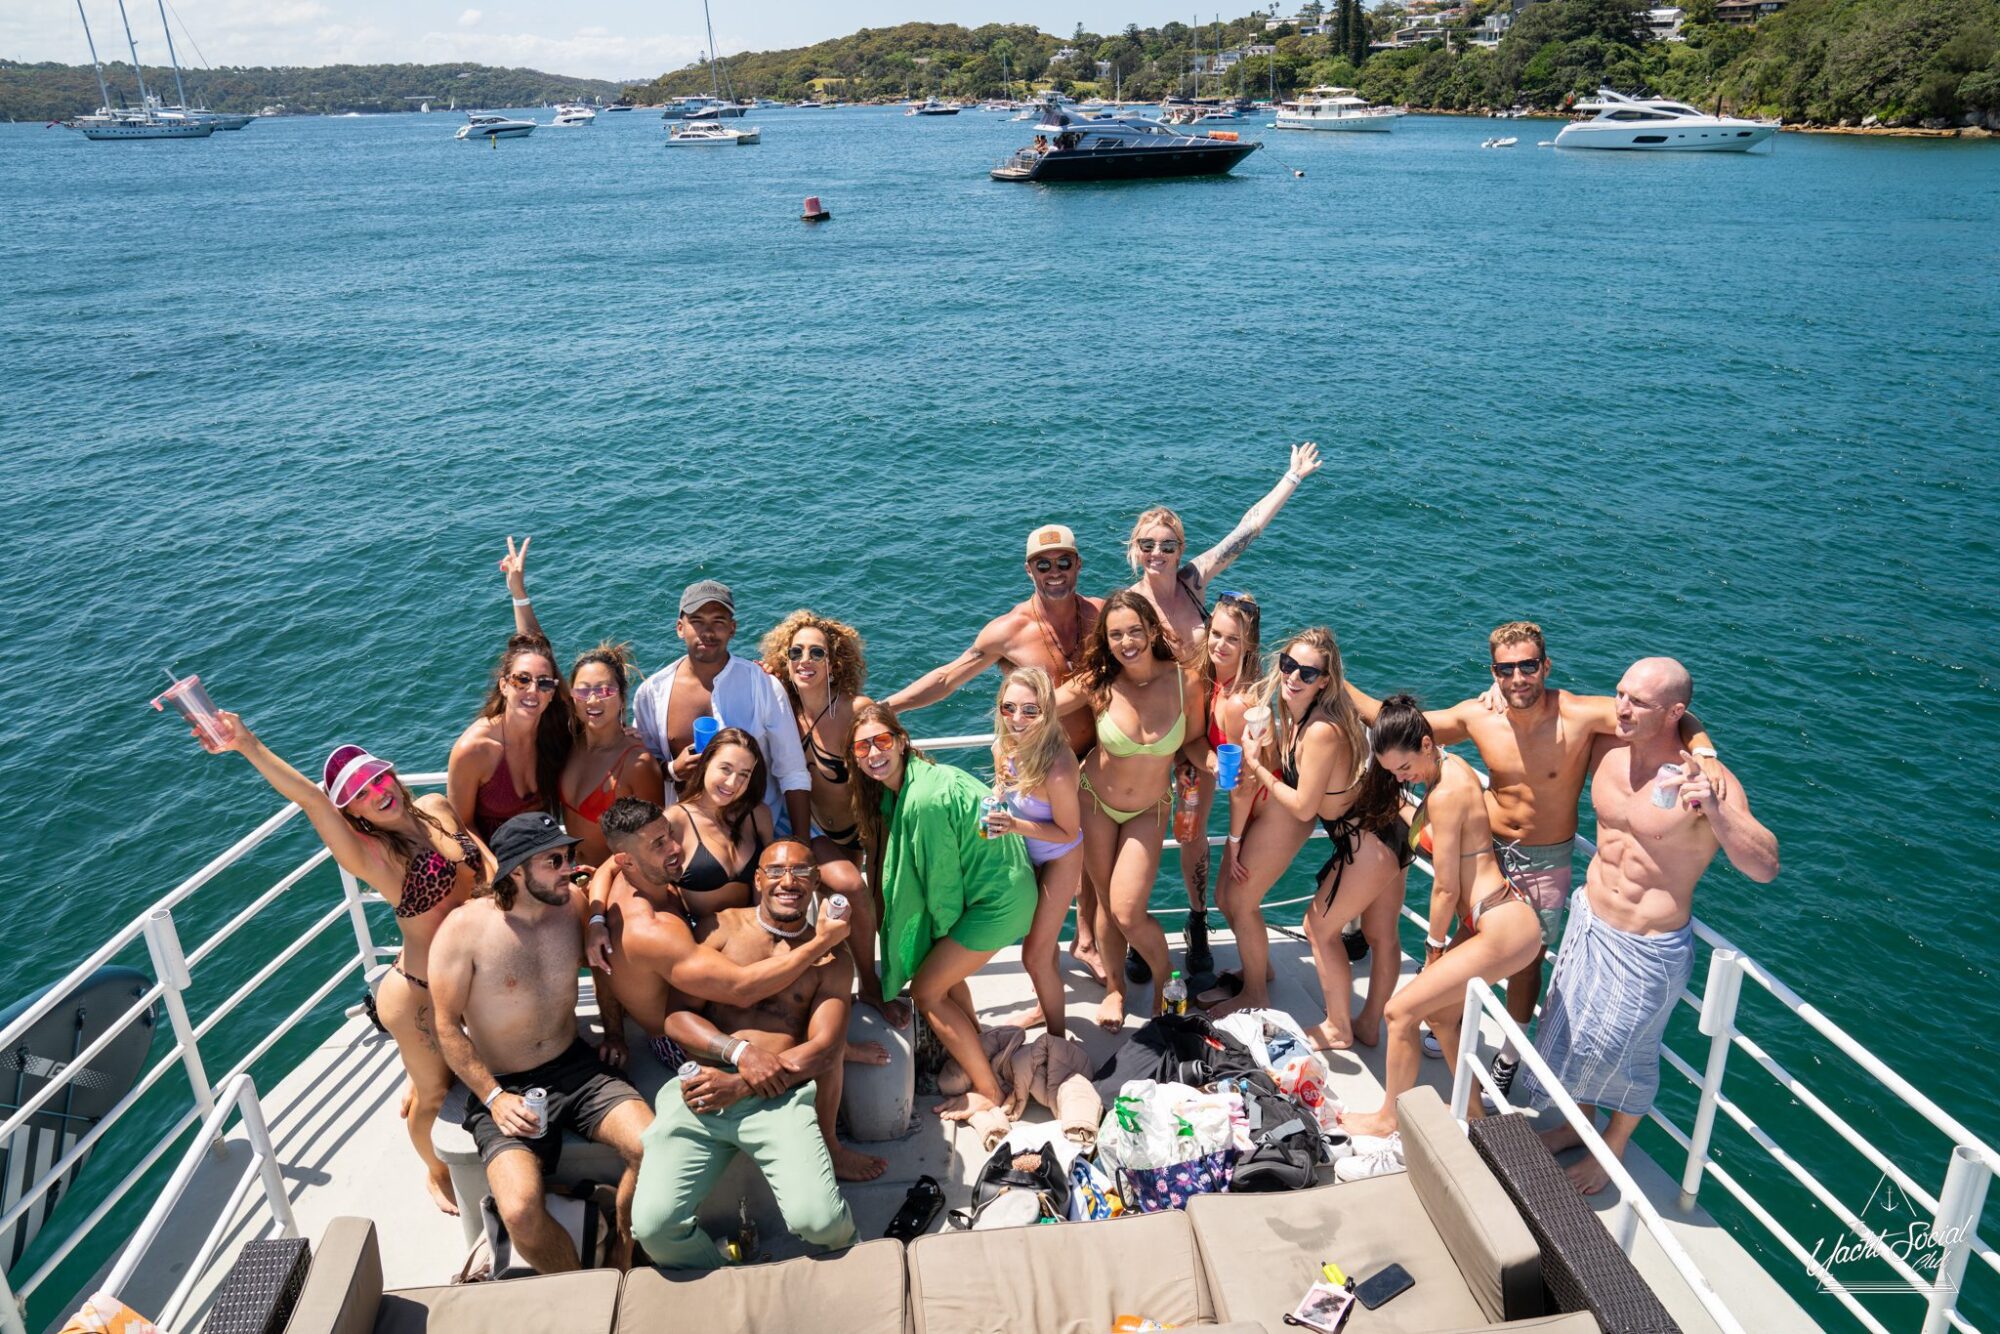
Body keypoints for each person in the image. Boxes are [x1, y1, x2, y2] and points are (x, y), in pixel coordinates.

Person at [1345, 621, 1718, 1091]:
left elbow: (1668, 714)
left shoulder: (1580, 714)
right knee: (1472, 935)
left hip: (1545, 859)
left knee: (1527, 960)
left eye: (1527, 666)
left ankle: (1510, 1048)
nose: (1518, 678)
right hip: (1486, 848)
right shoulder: (1479, 715)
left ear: (1546, 665)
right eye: (1506, 669)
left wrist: (1705, 752)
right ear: (1494, 672)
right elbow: (1398, 725)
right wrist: (1333, 678)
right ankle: (1450, 1015)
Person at [195, 714, 492, 1216]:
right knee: (435, 1094)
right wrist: (247, 744)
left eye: (378, 778)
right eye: (360, 793)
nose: (378, 792)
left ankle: (414, 1068)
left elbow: (479, 854)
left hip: (469, 969)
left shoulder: (436, 807)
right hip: (418, 991)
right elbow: (310, 799)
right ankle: (434, 1170)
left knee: (487, 1053)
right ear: (351, 812)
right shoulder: (371, 857)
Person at [1512, 658, 1777, 1194]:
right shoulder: (1611, 745)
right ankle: (1573, 1123)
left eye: (1638, 702)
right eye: (1620, 694)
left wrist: (1716, 808)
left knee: (1626, 1051)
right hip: (1590, 921)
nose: (1622, 708)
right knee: (1577, 1036)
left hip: (1646, 944)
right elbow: (1541, 708)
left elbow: (1765, 867)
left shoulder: (1711, 783)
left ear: (1675, 712)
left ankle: (1613, 1146)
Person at [587, 800, 884, 1181]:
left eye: (669, 836)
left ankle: (834, 1048)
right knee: (810, 1034)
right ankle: (830, 1138)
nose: (675, 848)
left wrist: (594, 916)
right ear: (631, 859)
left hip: (695, 995)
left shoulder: (636, 874)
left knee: (812, 1004)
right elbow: (740, 990)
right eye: (658, 845)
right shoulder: (651, 928)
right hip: (677, 1035)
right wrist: (821, 943)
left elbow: (608, 864)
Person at [1124, 445, 1321, 985]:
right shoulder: (1128, 604)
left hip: (1207, 728)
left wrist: (1290, 479)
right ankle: (1137, 928)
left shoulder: (1193, 580)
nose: (1158, 552)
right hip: (1155, 736)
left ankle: (1197, 920)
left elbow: (1246, 531)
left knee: (1202, 828)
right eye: (1148, 544)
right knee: (1150, 833)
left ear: (1180, 547)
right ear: (1135, 550)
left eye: (1167, 544)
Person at [428, 812, 652, 1272]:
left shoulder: (571, 906)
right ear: (516, 870)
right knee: (520, 1211)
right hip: (503, 1085)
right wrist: (492, 1097)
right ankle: (581, 1288)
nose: (568, 867)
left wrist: (612, 1034)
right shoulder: (463, 931)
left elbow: (604, 970)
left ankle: (623, 1254)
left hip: (576, 1067)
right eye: (554, 859)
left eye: (568, 856)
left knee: (654, 1147)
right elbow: (446, 1026)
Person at [884, 523, 1108, 980]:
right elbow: (949, 677)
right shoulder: (1010, 631)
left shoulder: (1102, 616)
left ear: (1078, 564)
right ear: (1029, 570)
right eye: (1043, 564)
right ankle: (1037, 956)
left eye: (1064, 561)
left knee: (1096, 869)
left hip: (1099, 760)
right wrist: (886, 708)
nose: (1055, 572)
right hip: (1044, 771)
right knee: (1037, 873)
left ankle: (1086, 942)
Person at [630, 838, 860, 1269]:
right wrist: (737, 1052)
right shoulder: (718, 928)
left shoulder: (832, 956)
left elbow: (826, 1049)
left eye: (801, 872)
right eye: (775, 871)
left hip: (779, 1096)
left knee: (823, 1222)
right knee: (654, 1231)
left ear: (815, 883)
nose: (787, 881)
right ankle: (723, 1282)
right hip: (701, 1090)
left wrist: (741, 1082)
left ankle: (856, 1264)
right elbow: (678, 1018)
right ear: (758, 879)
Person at [1336, 699, 1543, 1154]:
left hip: (1498, 922)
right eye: (1393, 772)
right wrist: (1395, 800)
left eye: (1406, 767)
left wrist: (1433, 950)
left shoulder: (1445, 794)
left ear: (1428, 745)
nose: (1402, 777)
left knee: (1399, 1012)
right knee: (1442, 1017)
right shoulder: (1453, 772)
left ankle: (1388, 1117)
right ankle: (1473, 1114)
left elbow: (1446, 887)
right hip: (1498, 914)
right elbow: (1439, 833)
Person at [850, 703, 1037, 1144]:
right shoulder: (911, 783)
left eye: (881, 741)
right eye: (862, 746)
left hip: (995, 902)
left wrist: (940, 945)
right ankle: (976, 1045)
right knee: (943, 977)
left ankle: (987, 1090)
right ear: (854, 756)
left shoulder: (924, 800)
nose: (874, 752)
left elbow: (944, 888)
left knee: (928, 991)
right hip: (1000, 889)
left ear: (900, 740)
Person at [1220, 629, 1405, 1050]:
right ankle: (1368, 1023)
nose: (1293, 678)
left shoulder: (1321, 730)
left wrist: (1256, 765)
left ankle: (1338, 1028)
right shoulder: (1298, 716)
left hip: (1368, 838)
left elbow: (1304, 808)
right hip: (1382, 829)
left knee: (1318, 928)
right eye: (1288, 665)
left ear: (1325, 680)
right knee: (1381, 935)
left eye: (1308, 672)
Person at [1055, 590, 1211, 1028]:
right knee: (1105, 906)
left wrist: (1213, 760)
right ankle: (1115, 990)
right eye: (1115, 634)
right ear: (1105, 640)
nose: (1126, 642)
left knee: (1127, 910)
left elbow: (1193, 740)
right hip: (1095, 802)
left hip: (1149, 808)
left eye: (1134, 631)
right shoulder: (1099, 682)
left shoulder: (1186, 682)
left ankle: (1165, 978)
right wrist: (1008, 733)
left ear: (1151, 631)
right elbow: (1040, 705)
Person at [497, 537, 667, 867]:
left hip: (617, 889)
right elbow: (539, 651)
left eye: (604, 690)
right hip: (569, 876)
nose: (593, 699)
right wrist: (519, 594)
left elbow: (654, 844)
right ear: (571, 695)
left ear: (621, 697)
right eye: (584, 690)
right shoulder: (573, 736)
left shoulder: (636, 762)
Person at [758, 610, 890, 1021]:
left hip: (866, 826)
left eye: (817, 652)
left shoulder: (856, 709)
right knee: (850, 888)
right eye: (796, 652)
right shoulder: (780, 706)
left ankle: (833, 981)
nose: (806, 660)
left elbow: (894, 760)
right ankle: (868, 986)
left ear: (835, 663)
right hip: (813, 827)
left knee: (875, 904)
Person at [630, 579, 813, 838]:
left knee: (846, 881)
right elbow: (644, 767)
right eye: (697, 621)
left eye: (718, 621)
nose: (708, 631)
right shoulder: (651, 694)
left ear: (732, 629)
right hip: (687, 835)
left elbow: (792, 772)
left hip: (759, 829)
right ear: (680, 628)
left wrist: (801, 842)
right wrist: (673, 770)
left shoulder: (763, 685)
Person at [981, 666, 1084, 1034]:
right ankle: (1044, 1006)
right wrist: (993, 804)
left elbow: (1069, 829)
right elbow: (1001, 788)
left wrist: (1013, 825)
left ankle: (1057, 1039)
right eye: (1008, 708)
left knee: (1034, 955)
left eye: (1030, 710)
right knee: (1040, 939)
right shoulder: (1003, 747)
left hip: (1060, 856)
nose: (1017, 719)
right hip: (1026, 851)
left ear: (1047, 711)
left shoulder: (1058, 767)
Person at [1183, 591, 1265, 976]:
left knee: (1236, 899)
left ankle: (1256, 986)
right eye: (1216, 634)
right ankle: (1258, 975)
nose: (1220, 644)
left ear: (1248, 645)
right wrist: (1212, 760)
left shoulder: (1237, 703)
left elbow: (1241, 788)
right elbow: (1197, 742)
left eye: (1232, 639)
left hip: (1262, 809)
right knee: (1225, 896)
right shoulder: (1215, 682)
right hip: (1251, 802)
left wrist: (1234, 843)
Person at [449, 633, 575, 840]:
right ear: (504, 686)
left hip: (544, 856)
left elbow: (594, 721)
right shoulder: (474, 749)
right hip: (491, 863)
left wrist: (626, 731)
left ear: (552, 693)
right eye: (522, 680)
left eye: (544, 683)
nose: (533, 690)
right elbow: (461, 827)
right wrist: (495, 870)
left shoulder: (555, 736)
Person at [672, 727, 775, 920]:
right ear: (706, 762)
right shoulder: (675, 820)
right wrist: (597, 920)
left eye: (744, 774)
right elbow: (627, 864)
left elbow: (771, 876)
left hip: (754, 930)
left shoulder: (758, 815)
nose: (732, 783)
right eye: (725, 769)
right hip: (702, 939)